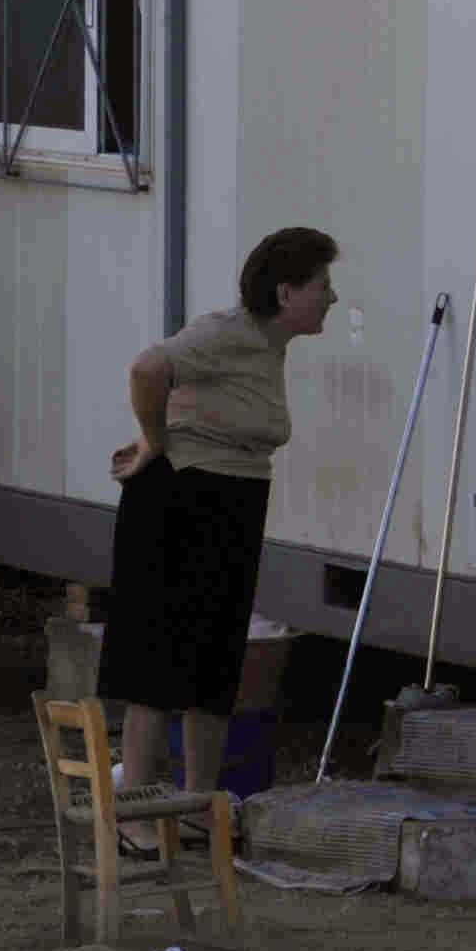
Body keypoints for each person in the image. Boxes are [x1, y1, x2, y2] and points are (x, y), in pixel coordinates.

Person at [105, 227, 338, 795]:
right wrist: (153, 439)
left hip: (231, 501)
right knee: (162, 658)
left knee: (214, 661)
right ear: (286, 294)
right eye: (323, 285)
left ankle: (196, 809)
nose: (332, 297)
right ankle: (135, 809)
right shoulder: (224, 332)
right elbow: (146, 368)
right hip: (183, 498)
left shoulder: (266, 345)